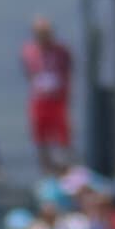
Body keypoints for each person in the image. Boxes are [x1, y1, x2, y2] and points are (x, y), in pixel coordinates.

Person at [22, 16, 75, 173]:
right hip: (39, 99)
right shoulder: (29, 51)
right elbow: (28, 72)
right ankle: (46, 171)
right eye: (39, 32)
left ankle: (65, 170)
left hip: (57, 99)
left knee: (61, 136)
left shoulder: (62, 51)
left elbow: (68, 70)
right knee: (41, 137)